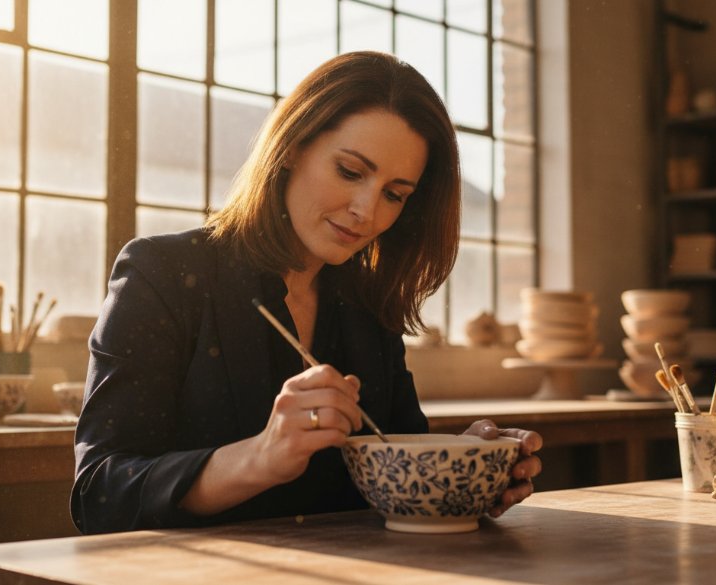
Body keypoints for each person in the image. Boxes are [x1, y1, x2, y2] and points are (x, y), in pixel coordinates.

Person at [71, 51, 542, 534]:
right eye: (350, 171)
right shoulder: (162, 273)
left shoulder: (368, 306)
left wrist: (464, 467)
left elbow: (394, 467)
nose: (366, 211)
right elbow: (99, 494)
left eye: (394, 194)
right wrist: (259, 457)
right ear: (293, 147)